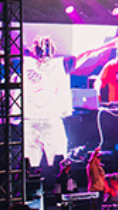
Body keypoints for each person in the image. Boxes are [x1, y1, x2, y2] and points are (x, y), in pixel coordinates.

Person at [23, 36, 73, 170]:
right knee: (59, 160)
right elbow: (86, 55)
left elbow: (4, 59)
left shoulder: (24, 63)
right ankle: (59, 186)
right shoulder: (62, 63)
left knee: (30, 162)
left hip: (30, 119)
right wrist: (107, 46)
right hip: (52, 119)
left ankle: (30, 187)